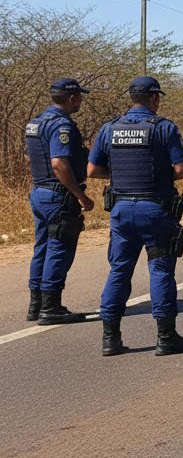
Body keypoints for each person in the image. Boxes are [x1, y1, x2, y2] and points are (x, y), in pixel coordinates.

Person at [87, 76, 183, 356]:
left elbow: (92, 170)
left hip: (121, 211)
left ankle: (110, 340)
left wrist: (122, 176)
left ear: (131, 98)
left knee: (119, 271)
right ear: (155, 98)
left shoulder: (109, 128)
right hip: (154, 210)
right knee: (160, 270)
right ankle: (166, 337)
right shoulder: (163, 127)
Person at [25, 78, 97, 325]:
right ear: (71, 97)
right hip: (58, 195)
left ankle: (36, 305)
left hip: (39, 192)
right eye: (79, 96)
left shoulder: (35, 122)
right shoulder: (61, 125)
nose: (80, 100)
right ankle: (51, 308)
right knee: (59, 248)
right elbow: (59, 163)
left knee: (42, 247)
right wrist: (81, 196)